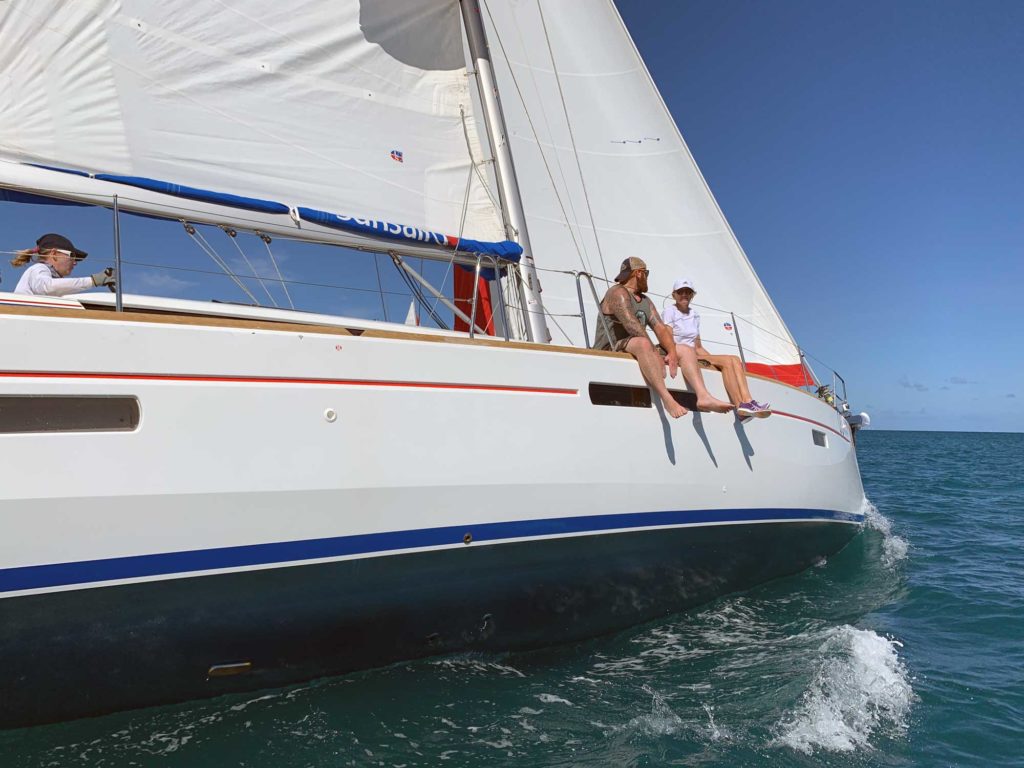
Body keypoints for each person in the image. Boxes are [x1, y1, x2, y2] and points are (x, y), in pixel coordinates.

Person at [593, 257, 732, 419]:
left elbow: (660, 328)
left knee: (685, 349)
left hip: (635, 345)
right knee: (644, 343)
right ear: (639, 273)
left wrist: (672, 352)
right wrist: (654, 352)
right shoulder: (617, 292)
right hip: (611, 346)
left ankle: (703, 396)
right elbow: (631, 325)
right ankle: (667, 399)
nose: (647, 278)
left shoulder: (645, 301)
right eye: (646, 274)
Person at [663, 278, 771, 418]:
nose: (684, 294)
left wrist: (714, 362)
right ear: (674, 295)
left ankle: (748, 401)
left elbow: (698, 347)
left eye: (688, 292)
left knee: (734, 359)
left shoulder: (694, 315)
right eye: (680, 292)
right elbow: (667, 339)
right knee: (727, 361)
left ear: (692, 295)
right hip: (682, 353)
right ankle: (740, 406)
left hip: (695, 353)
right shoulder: (669, 311)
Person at [10, 233, 116, 297]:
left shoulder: (48, 274)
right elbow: (46, 288)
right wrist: (93, 281)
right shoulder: (39, 268)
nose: (75, 262)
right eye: (72, 256)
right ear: (54, 254)